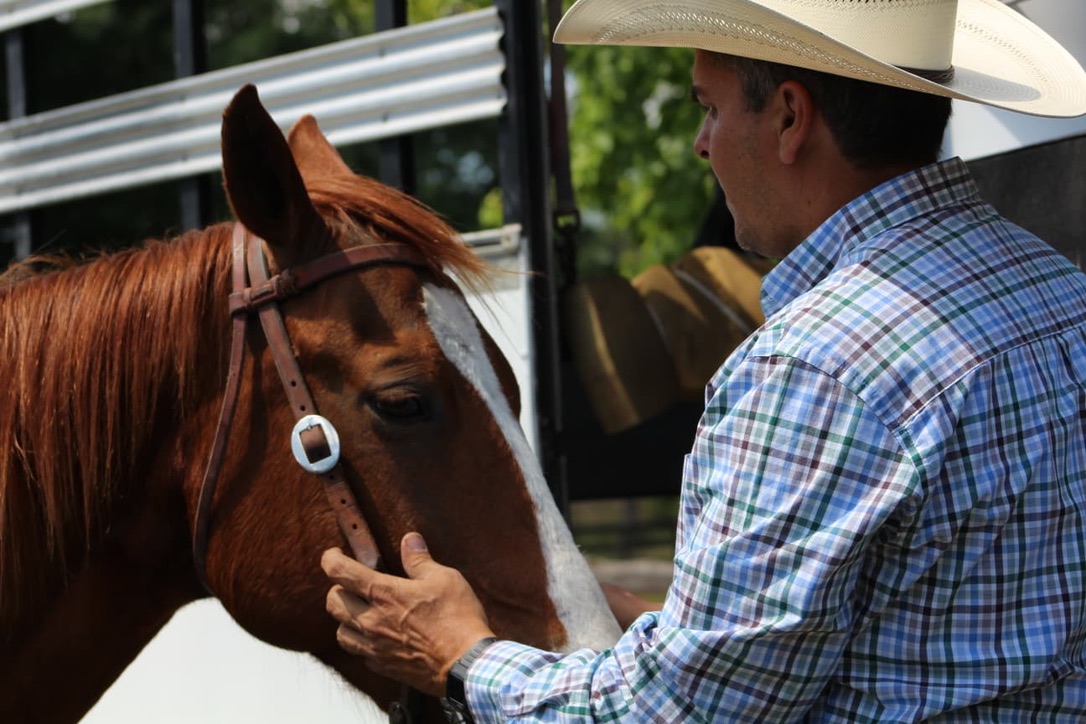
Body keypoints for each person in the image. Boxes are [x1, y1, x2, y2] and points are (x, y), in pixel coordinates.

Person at [322, 0, 1086, 719]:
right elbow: (945, 629)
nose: (700, 143)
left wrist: (460, 655)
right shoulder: (1061, 295)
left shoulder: (811, 369)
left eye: (709, 108)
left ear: (790, 118)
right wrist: (676, 624)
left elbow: (669, 714)